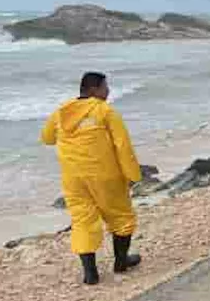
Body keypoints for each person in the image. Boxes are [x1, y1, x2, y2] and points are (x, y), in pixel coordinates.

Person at [40, 72, 142, 285]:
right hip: (105, 175)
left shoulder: (61, 112)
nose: (108, 91)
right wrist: (133, 174)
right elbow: (122, 145)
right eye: (105, 87)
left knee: (82, 221)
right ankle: (121, 262)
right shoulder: (104, 110)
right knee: (121, 217)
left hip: (74, 178)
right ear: (93, 90)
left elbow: (47, 138)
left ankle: (90, 273)